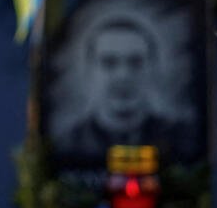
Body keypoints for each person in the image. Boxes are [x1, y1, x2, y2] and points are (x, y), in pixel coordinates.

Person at [54, 12, 198, 165]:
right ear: (89, 71)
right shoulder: (66, 143)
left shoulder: (186, 140)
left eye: (135, 62)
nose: (123, 76)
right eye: (109, 63)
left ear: (154, 69)